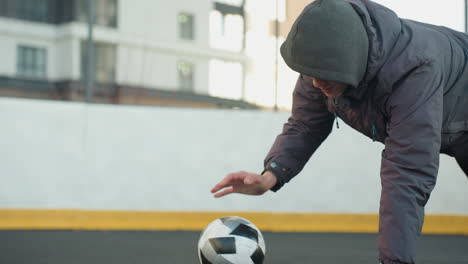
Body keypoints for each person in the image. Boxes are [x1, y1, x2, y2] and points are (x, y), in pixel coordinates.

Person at [210, 0, 468, 263]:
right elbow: (305, 125)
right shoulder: (320, 68)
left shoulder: (414, 69)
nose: (316, 83)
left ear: (352, 60)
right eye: (310, 74)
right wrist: (269, 177)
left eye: (324, 76)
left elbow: (407, 170)